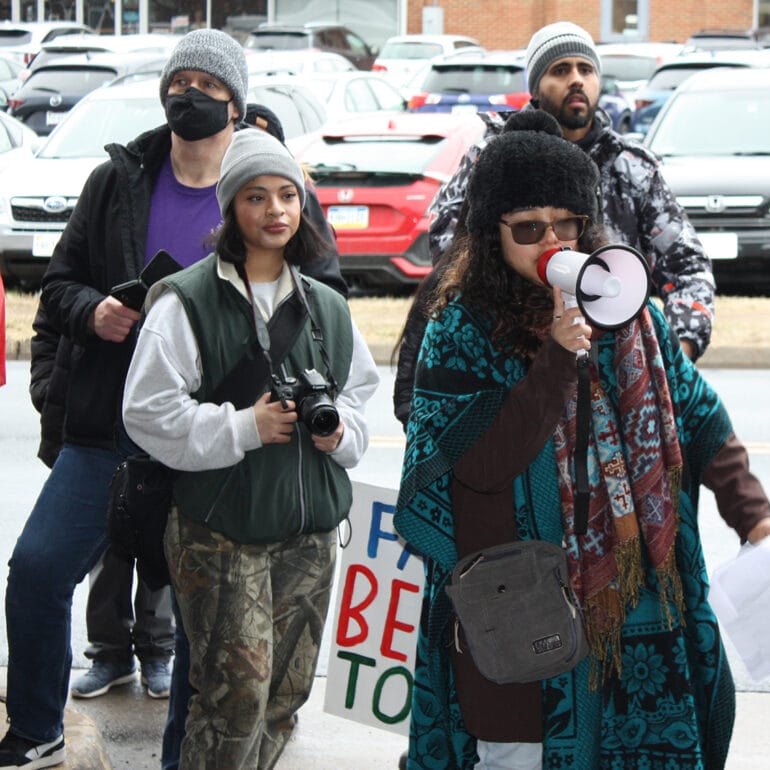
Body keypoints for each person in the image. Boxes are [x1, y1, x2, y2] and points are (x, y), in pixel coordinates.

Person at [395, 110, 770, 769]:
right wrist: (555, 356)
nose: (552, 241)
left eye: (568, 224)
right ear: (490, 235)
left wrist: (754, 515)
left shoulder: (627, 314)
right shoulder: (459, 330)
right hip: (517, 605)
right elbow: (481, 466)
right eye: (529, 229)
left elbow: (700, 420)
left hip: (633, 614)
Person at [0, 29, 343, 770]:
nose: (190, 96)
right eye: (179, 81)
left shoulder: (274, 186)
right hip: (109, 433)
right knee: (36, 569)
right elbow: (56, 285)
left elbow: (326, 300)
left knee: (204, 622)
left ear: (236, 101)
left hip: (226, 437)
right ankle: (35, 726)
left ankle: (180, 759)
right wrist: (94, 310)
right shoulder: (118, 180)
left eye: (208, 85)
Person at [121, 127, 378, 769]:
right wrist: (243, 428)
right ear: (232, 208)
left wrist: (339, 435)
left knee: (283, 699)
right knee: (234, 701)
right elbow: (146, 412)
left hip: (310, 536)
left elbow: (358, 400)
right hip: (220, 534)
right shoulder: (187, 301)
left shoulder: (326, 308)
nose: (276, 211)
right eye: (257, 197)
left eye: (287, 195)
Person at [392, 20, 714, 427]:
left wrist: (673, 353)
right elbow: (449, 244)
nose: (576, 80)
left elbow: (689, 266)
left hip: (613, 371)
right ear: (535, 86)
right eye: (560, 70)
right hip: (511, 367)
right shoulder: (492, 156)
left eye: (586, 69)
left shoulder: (633, 167)